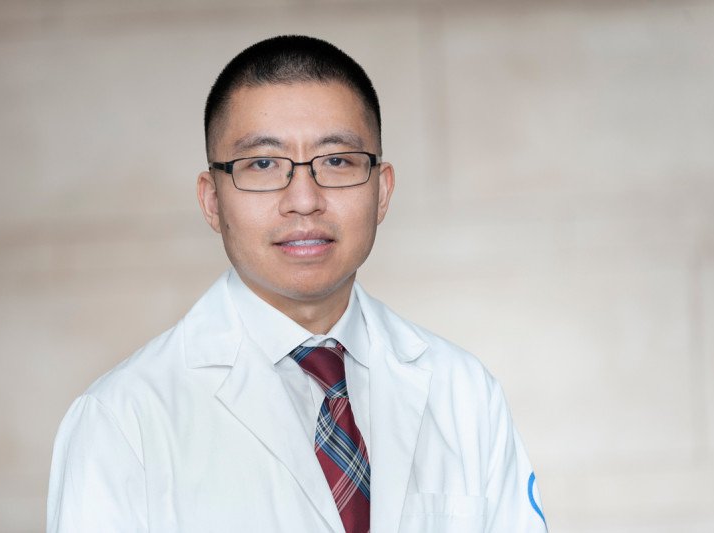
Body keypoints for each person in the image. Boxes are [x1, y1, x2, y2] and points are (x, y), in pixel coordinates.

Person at [47, 35, 548, 533]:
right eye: (263, 164)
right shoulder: (121, 418)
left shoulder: (464, 392)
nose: (304, 200)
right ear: (212, 200)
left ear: (382, 190)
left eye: (337, 161)